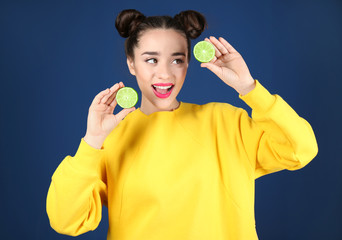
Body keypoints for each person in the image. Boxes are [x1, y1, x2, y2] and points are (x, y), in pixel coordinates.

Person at [46, 9, 318, 240]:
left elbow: (300, 150)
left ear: (189, 62)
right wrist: (92, 141)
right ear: (131, 64)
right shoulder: (110, 138)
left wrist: (250, 88)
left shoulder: (225, 121)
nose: (164, 73)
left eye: (177, 59)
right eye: (151, 59)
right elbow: (66, 220)